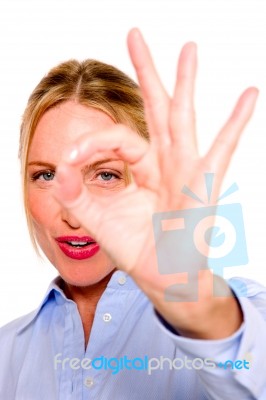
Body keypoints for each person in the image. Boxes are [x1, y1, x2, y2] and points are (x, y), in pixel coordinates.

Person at [0, 28, 265, 399]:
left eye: (106, 175)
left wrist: (200, 307)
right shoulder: (6, 353)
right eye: (45, 175)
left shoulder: (234, 315)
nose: (75, 216)